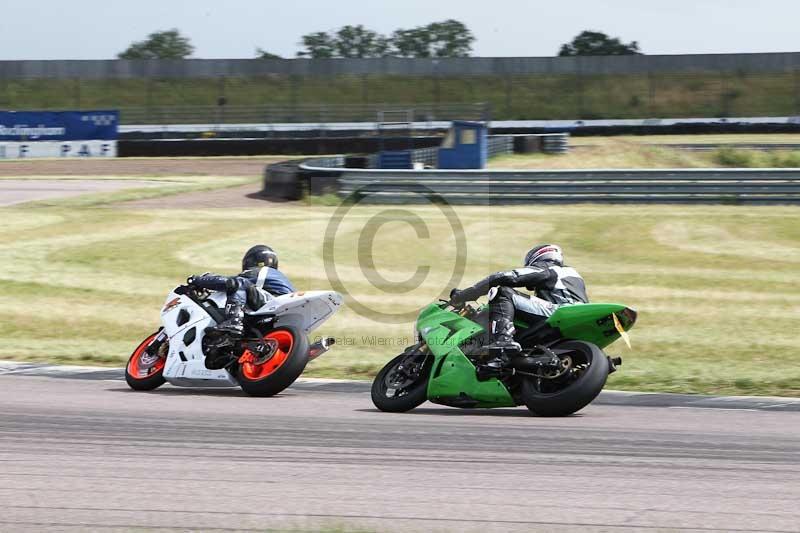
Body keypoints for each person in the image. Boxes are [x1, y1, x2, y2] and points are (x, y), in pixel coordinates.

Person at [449, 244, 588, 356]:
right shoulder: (571, 277)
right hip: (575, 317)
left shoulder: (550, 268)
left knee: (502, 291)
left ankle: (503, 339)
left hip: (562, 311)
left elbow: (508, 276)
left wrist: (466, 294)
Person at [187, 245, 295, 336]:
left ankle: (234, 321)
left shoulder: (261, 271)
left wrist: (198, 280)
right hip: (284, 313)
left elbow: (231, 282)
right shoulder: (275, 277)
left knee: (238, 282)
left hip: (274, 301)